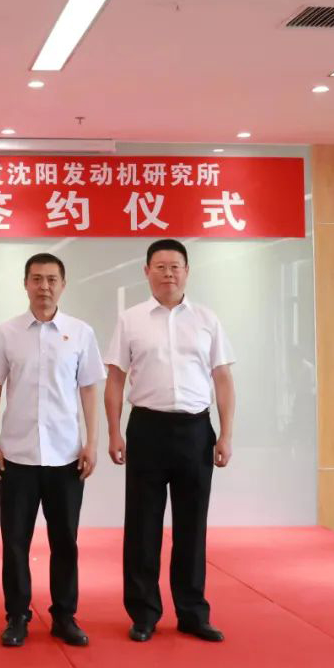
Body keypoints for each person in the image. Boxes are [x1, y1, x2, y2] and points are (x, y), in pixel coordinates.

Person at [104, 238, 235, 643]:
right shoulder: (130, 320)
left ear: (187, 271)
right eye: (160, 267)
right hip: (146, 428)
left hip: (195, 430)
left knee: (192, 526)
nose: (168, 274)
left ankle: (193, 613)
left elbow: (223, 379)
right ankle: (144, 613)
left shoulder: (207, 319)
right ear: (146, 272)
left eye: (175, 266)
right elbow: (115, 380)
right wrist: (113, 430)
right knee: (142, 526)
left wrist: (226, 434)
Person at [0, 253, 104, 648]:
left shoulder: (80, 333)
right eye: (36, 279)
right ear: (25, 284)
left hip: (66, 456)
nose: (44, 286)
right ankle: (17, 616)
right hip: (17, 456)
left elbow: (89, 390)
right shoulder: (6, 333)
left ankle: (64, 616)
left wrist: (92, 442)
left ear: (63, 285)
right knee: (15, 542)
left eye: (51, 279)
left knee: (65, 541)